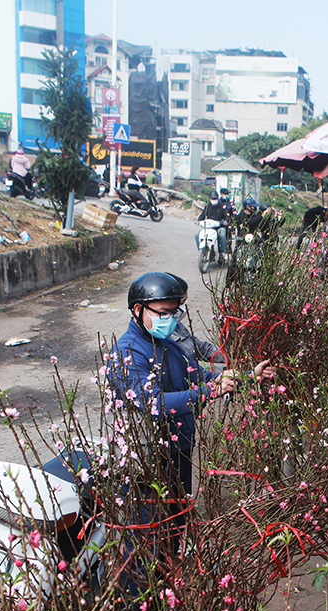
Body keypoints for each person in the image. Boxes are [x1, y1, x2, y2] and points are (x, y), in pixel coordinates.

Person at [111, 274, 273, 530]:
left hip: (179, 450)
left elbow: (200, 375)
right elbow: (152, 403)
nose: (171, 320)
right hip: (147, 459)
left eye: (175, 313)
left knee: (176, 523)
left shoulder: (167, 345)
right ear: (138, 309)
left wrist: (246, 377)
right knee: (149, 532)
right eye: (164, 313)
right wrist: (209, 391)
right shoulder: (127, 352)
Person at [167, 274, 226, 366]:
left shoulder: (176, 325)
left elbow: (201, 348)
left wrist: (230, 355)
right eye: (181, 303)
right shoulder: (158, 335)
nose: (182, 308)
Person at [197, 192, 231, 257]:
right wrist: (198, 221)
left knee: (222, 234)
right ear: (209, 199)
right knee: (197, 235)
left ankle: (222, 252)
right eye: (212, 199)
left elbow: (227, 216)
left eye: (215, 198)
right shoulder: (208, 206)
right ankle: (201, 250)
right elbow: (203, 215)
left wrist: (226, 221)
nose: (213, 200)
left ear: (218, 198)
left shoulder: (222, 207)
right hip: (209, 227)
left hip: (218, 227)